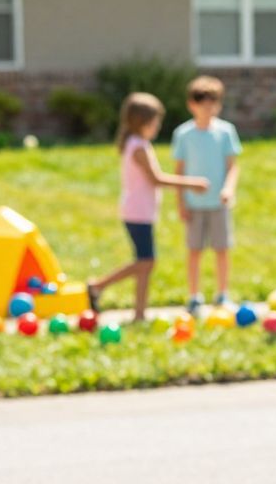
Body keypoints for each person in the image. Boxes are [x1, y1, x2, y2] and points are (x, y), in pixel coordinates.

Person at [87, 93, 208, 322]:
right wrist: (192, 183)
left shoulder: (137, 144)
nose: (157, 127)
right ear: (140, 122)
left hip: (141, 212)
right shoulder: (138, 147)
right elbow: (157, 179)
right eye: (154, 122)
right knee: (145, 262)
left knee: (145, 264)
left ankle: (139, 313)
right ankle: (97, 286)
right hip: (137, 213)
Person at [172, 75, 242, 313]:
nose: (209, 108)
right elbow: (179, 172)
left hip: (218, 205)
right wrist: (180, 202)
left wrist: (228, 188)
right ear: (192, 105)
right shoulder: (183, 134)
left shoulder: (225, 132)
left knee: (222, 249)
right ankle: (194, 296)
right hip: (194, 204)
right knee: (195, 250)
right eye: (203, 103)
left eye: (214, 103)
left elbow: (232, 165)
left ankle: (222, 294)